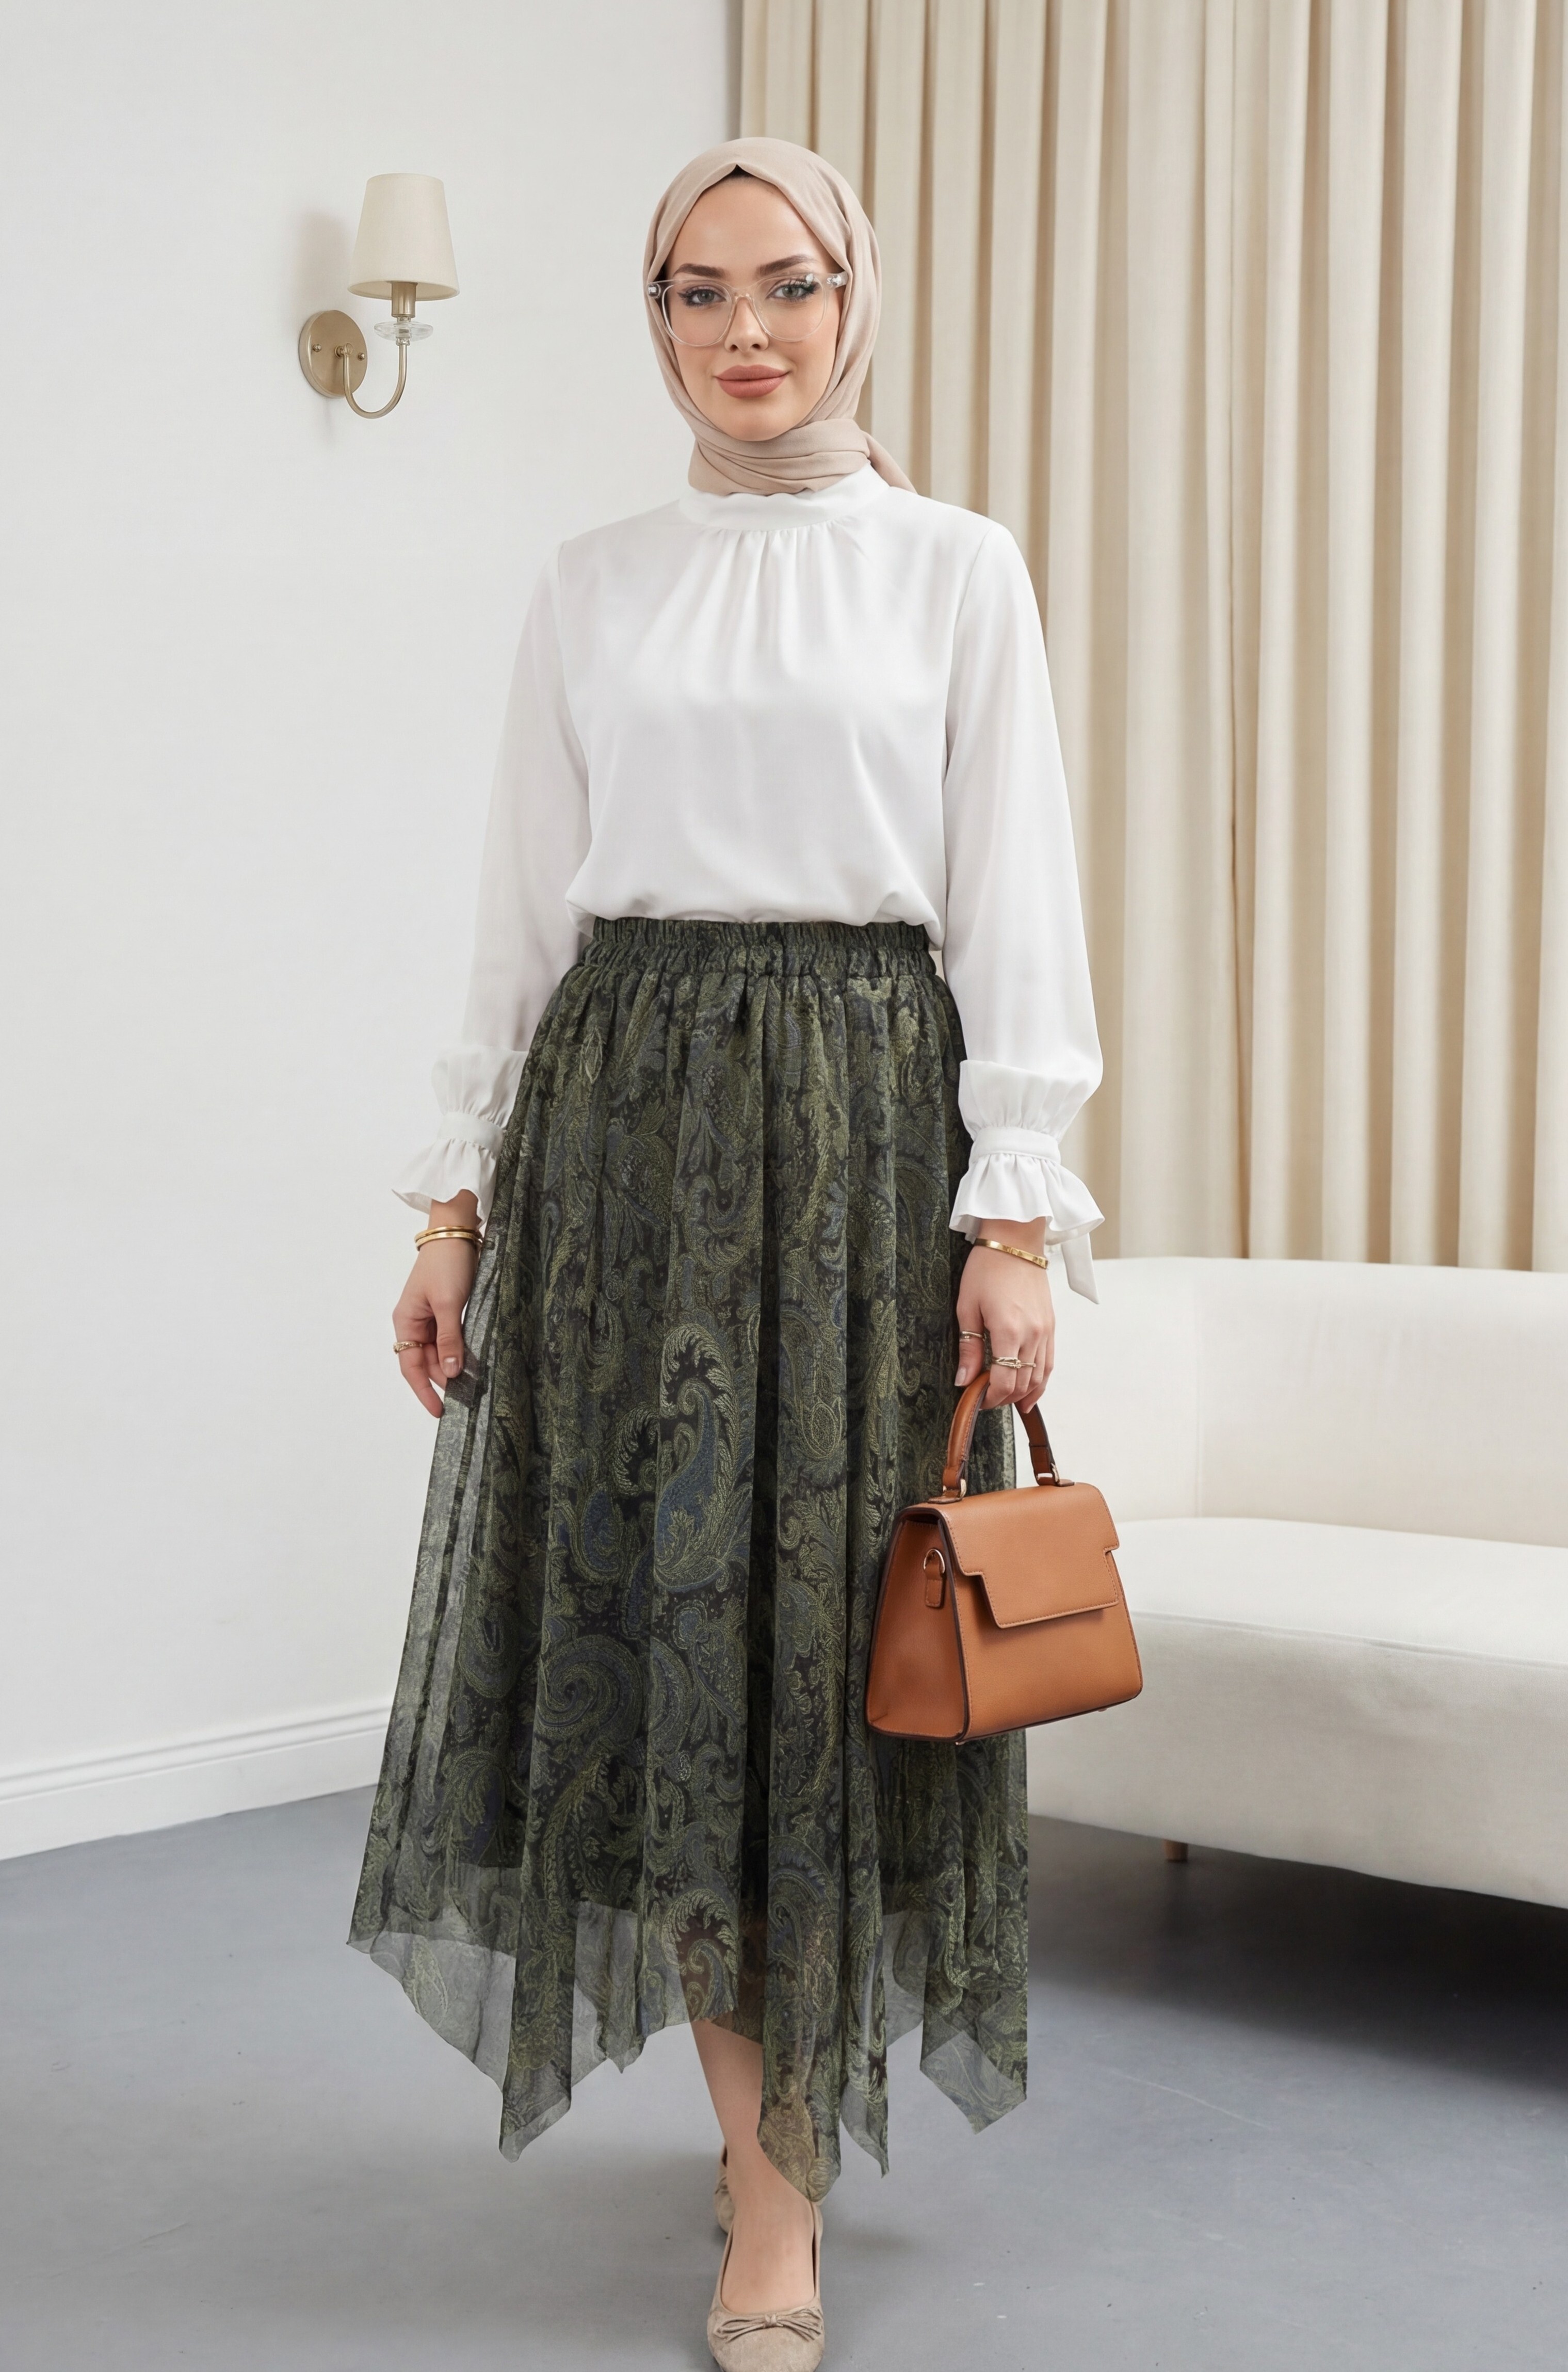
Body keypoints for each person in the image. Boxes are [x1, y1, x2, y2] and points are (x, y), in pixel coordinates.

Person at [352, 136, 1102, 2372]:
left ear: (854, 298)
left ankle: (773, 2170)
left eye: (785, 284)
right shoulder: (593, 582)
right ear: (656, 317)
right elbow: (522, 906)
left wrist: (1013, 1205)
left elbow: (1015, 896)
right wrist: (455, 1199)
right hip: (626, 1137)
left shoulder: (956, 568)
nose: (744, 329)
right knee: (672, 1644)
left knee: (816, 1651)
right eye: (697, 291)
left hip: (867, 1137)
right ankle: (766, 2180)